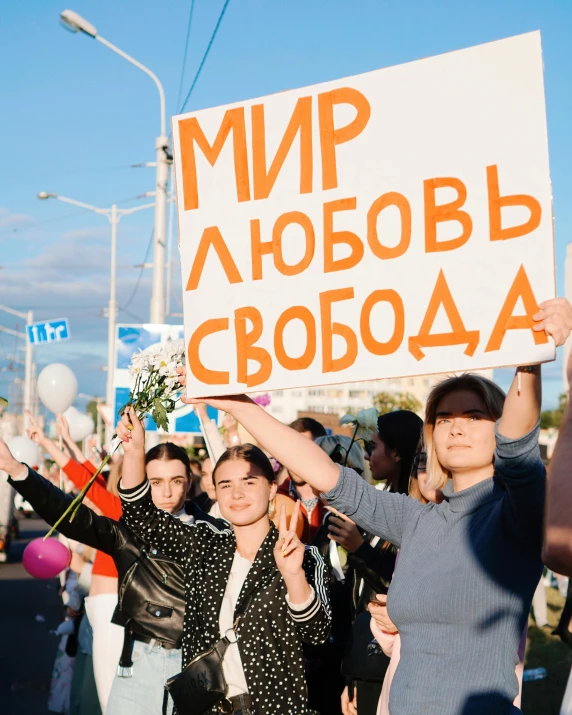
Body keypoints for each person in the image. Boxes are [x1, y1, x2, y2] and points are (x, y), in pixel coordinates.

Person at [176, 295, 570, 715]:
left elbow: (518, 448)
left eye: (474, 416)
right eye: (444, 418)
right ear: (431, 435)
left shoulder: (517, 511)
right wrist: (236, 403)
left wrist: (530, 358)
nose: (457, 427)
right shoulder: (416, 518)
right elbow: (326, 474)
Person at [117, 408, 331, 715]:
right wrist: (136, 451)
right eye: (226, 485)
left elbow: (316, 633)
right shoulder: (205, 543)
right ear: (214, 492)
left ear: (272, 488)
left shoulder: (302, 554)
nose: (237, 493)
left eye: (249, 482)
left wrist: (293, 576)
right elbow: (141, 518)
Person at [1, 436, 221, 715]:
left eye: (176, 480)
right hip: (138, 663)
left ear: (190, 482)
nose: (167, 492)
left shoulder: (216, 533)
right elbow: (71, 516)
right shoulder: (129, 531)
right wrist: (16, 469)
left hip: (195, 666)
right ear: (143, 484)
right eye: (156, 482)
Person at [27, 412, 123, 714]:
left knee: (109, 698)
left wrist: (49, 442)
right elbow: (88, 475)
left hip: (111, 612)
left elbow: (86, 477)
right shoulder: (113, 504)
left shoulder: (121, 509)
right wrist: (63, 441)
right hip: (97, 610)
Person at [331, 412, 423, 715]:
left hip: (395, 657)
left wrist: (358, 548)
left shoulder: (417, 510)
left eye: (374, 447)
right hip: (367, 652)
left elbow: (400, 587)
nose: (368, 456)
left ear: (396, 452)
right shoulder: (378, 503)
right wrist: (354, 674)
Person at [277, 417, 328, 542]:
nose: (296, 459)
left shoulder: (339, 502)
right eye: (291, 451)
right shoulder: (274, 500)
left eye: (305, 451)